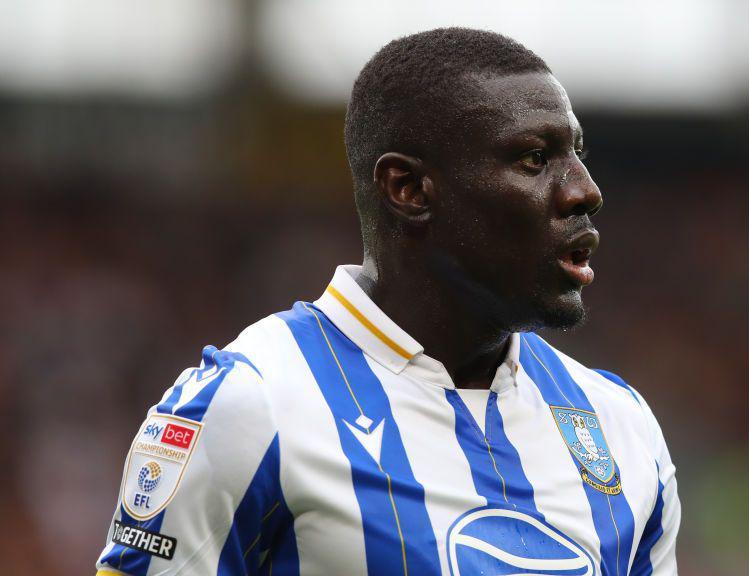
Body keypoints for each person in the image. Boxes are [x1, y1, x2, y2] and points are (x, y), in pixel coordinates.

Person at [96, 27, 680, 576]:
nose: (585, 190)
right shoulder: (252, 406)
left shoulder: (620, 427)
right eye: (534, 158)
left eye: (577, 153)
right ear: (408, 190)